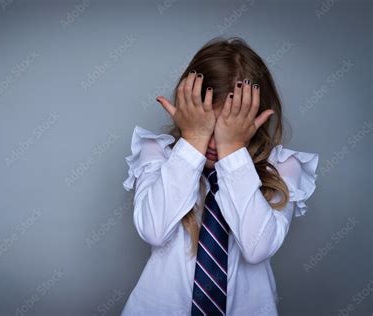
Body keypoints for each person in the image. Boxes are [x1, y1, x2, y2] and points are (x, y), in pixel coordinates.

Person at [121, 37, 319, 316]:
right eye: (207, 125)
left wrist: (232, 152)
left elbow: (257, 248)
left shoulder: (284, 167)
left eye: (228, 127)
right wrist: (192, 142)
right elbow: (154, 230)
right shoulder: (158, 153)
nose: (214, 140)